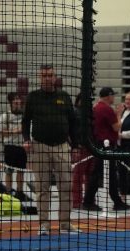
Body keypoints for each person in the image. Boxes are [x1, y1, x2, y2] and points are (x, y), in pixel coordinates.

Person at [22, 64, 80, 235]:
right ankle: (44, 225)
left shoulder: (64, 96)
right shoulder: (33, 97)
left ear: (55, 77)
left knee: (66, 186)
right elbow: (25, 122)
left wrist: (75, 145)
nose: (47, 78)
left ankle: (65, 224)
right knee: (42, 188)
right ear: (40, 78)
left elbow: (73, 123)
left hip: (62, 146)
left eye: (50, 75)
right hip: (40, 146)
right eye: (44, 75)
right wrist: (26, 140)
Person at [82, 87, 130, 211]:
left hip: (99, 143)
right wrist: (119, 114)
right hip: (106, 146)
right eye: (113, 96)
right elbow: (116, 127)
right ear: (108, 96)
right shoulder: (106, 109)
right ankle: (89, 201)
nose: (114, 98)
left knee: (106, 174)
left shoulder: (97, 107)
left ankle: (115, 200)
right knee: (101, 173)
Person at [0, 92, 27, 199]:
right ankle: (8, 192)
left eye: (19, 99)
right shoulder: (5, 116)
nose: (17, 102)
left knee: (21, 171)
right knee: (8, 171)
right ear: (11, 102)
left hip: (22, 147)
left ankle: (20, 192)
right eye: (15, 100)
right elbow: (1, 133)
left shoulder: (25, 116)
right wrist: (16, 131)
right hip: (10, 147)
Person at [71, 93, 94, 209]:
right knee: (78, 176)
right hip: (80, 147)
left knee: (90, 175)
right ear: (79, 100)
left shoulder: (90, 113)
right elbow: (71, 131)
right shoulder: (75, 112)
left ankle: (88, 200)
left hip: (91, 147)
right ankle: (76, 201)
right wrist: (74, 146)